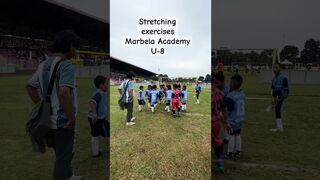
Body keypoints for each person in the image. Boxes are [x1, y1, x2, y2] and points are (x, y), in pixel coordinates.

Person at [26, 30, 81, 180]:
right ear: (69, 45)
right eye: (75, 47)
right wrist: (71, 118)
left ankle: (69, 176)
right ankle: (65, 176)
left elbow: (30, 86)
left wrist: (41, 105)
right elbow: (63, 93)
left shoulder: (43, 65)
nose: (75, 51)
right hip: (62, 121)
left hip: (47, 120)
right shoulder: (66, 66)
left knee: (61, 152)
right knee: (63, 158)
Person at [212, 73, 232, 174]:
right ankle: (220, 163)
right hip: (216, 122)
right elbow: (224, 109)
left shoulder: (211, 93)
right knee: (217, 142)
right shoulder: (220, 93)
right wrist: (226, 122)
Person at [225, 75, 246, 160]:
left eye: (230, 81)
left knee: (231, 135)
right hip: (240, 118)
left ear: (233, 83)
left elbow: (229, 110)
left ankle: (230, 153)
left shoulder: (230, 96)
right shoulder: (242, 93)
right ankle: (238, 151)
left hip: (233, 120)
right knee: (238, 134)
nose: (229, 83)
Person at [88, 75, 108, 157]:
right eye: (106, 83)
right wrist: (95, 114)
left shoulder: (99, 92)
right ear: (101, 85)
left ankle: (95, 153)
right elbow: (92, 102)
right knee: (108, 131)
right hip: (98, 119)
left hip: (91, 118)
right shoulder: (99, 93)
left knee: (94, 134)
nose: (107, 85)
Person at [270, 63, 289, 132]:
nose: (274, 69)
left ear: (280, 68)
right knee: (276, 110)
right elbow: (272, 89)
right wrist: (273, 99)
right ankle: (279, 127)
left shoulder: (284, 78)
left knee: (277, 109)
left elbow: (285, 91)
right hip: (276, 96)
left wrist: (279, 99)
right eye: (274, 67)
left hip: (282, 95)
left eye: (276, 67)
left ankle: (279, 128)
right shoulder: (273, 78)